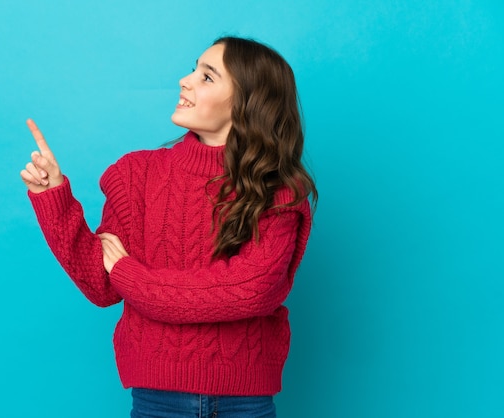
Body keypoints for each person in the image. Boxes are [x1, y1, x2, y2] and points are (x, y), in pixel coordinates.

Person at [20, 36, 317, 418]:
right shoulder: (136, 175)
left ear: (247, 102)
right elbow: (101, 284)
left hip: (245, 401)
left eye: (207, 77)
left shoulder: (279, 190)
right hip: (157, 399)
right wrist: (53, 197)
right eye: (194, 69)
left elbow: (249, 291)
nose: (185, 80)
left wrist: (131, 275)